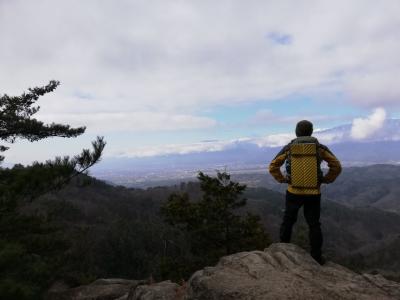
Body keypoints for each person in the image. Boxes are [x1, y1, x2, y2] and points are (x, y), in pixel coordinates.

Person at [269, 120, 341, 265]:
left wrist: (282, 179)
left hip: (293, 191)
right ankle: (316, 257)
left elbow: (273, 166)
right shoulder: (319, 148)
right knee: (314, 224)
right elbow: (336, 166)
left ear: (296, 132)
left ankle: (283, 251)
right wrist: (326, 179)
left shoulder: (289, 148)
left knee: (288, 221)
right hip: (313, 192)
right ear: (311, 131)